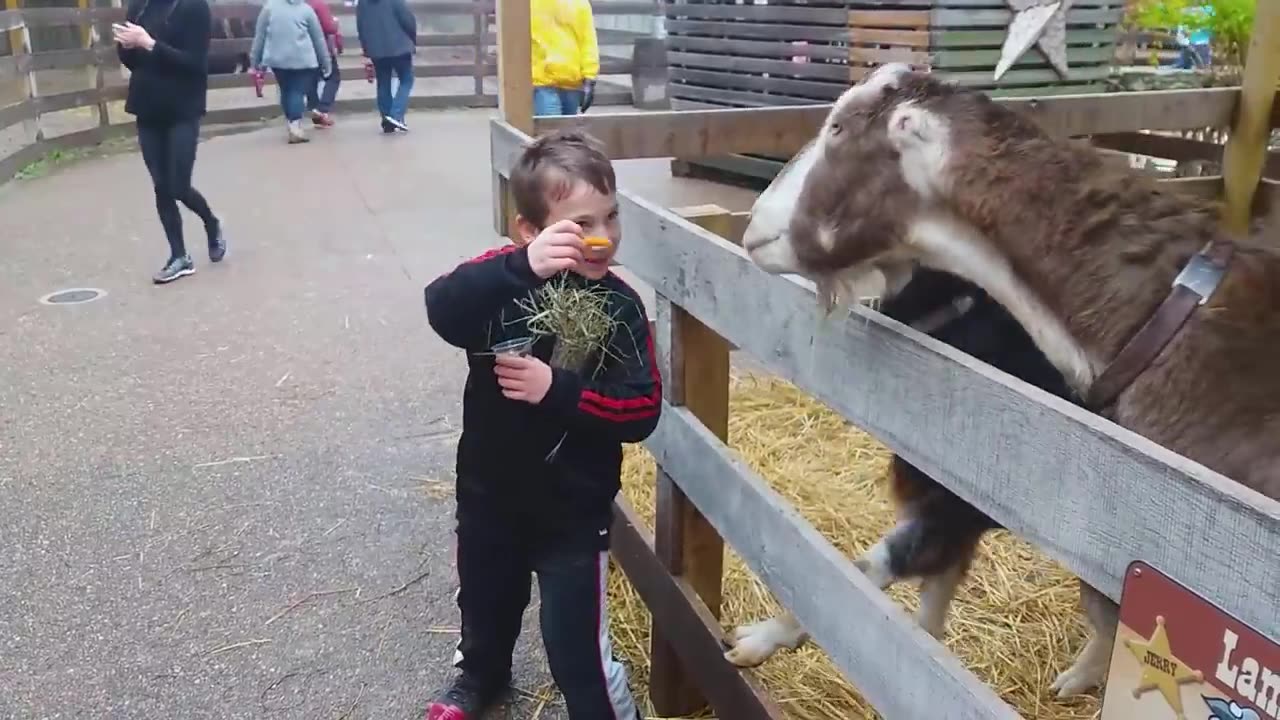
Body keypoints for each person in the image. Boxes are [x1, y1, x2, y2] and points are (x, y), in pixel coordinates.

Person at [422, 129, 657, 720]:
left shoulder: (620, 308)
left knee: (576, 647)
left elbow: (641, 410)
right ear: (530, 229)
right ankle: (480, 677)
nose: (602, 238)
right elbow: (441, 307)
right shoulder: (501, 282)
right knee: (486, 602)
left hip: (573, 515)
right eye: (581, 224)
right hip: (489, 496)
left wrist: (559, 391)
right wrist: (519, 268)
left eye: (611, 217)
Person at [114, 0, 226, 285]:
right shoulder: (140, 7)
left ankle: (211, 222)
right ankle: (179, 256)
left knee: (178, 184)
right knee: (161, 185)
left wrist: (150, 44)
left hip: (183, 107)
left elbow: (195, 63)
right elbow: (133, 62)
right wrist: (127, 47)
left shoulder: (194, 8)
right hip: (147, 105)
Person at [250, 0, 333, 143]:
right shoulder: (306, 10)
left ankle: (290, 121)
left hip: (277, 59)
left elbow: (260, 36)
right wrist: (325, 61)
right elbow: (318, 38)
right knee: (297, 91)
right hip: (302, 59)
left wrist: (255, 60)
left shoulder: (269, 8)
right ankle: (295, 125)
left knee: (285, 90)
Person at [355, 0, 416, 133]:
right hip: (400, 46)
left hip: (376, 49)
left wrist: (366, 48)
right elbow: (407, 19)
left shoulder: (362, 3)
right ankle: (396, 115)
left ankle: (386, 119)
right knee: (407, 79)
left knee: (383, 82)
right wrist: (412, 39)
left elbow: (360, 26)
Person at [530, 0, 599, 117]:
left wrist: (589, 78)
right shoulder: (527, 4)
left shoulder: (580, 3)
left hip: (571, 82)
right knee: (553, 130)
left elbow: (588, 40)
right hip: (543, 80)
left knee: (566, 131)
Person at [304, 0, 343, 127]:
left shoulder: (299, 5)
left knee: (311, 80)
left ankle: (314, 109)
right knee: (334, 77)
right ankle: (323, 109)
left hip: (303, 49)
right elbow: (329, 27)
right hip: (321, 48)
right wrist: (335, 22)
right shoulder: (318, 4)